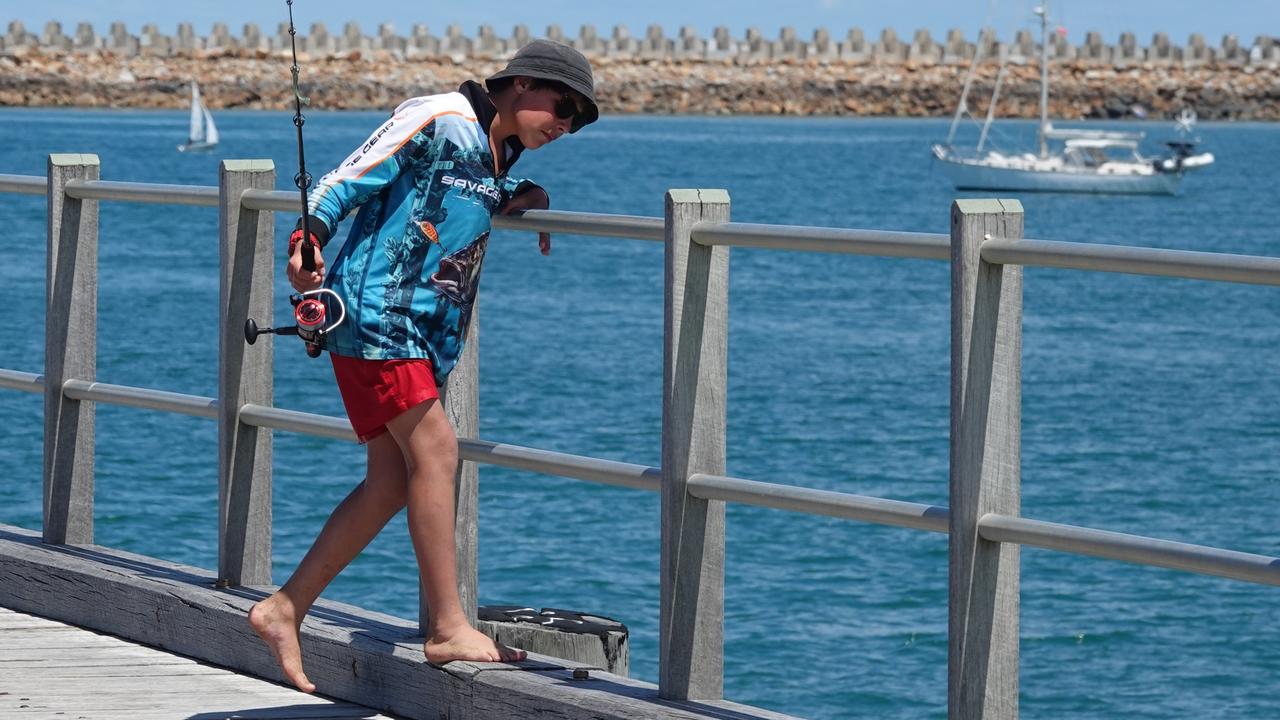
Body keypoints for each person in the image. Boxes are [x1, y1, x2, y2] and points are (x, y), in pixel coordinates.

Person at [248, 39, 599, 693]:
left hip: (421, 339)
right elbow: (346, 178)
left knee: (389, 480)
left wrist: (524, 193)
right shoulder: (440, 115)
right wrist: (306, 243)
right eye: (562, 105)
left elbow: (462, 194)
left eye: (578, 119)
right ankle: (447, 626)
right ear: (521, 85)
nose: (566, 123)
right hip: (378, 319)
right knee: (436, 453)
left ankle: (284, 608)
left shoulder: (495, 150)